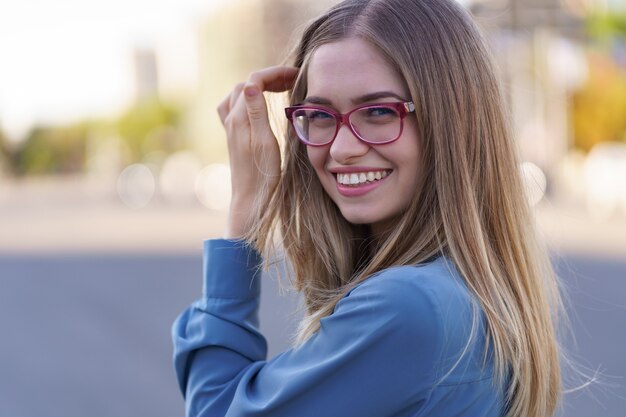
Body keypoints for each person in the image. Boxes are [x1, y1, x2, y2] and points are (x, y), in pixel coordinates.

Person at [172, 0, 563, 416]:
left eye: (378, 111)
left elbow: (215, 409)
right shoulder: (463, 290)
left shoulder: (408, 306)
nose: (341, 149)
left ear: (452, 121)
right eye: (320, 114)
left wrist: (245, 214)